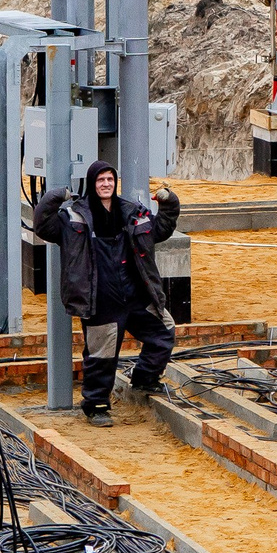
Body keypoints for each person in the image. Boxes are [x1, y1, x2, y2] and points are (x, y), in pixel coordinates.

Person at [31, 161, 179, 427]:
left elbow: (161, 230)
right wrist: (56, 196)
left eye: (110, 179)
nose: (106, 184)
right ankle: (96, 406)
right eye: (100, 180)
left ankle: (145, 379)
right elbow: (43, 226)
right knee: (101, 356)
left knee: (164, 332)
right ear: (92, 183)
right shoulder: (74, 217)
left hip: (137, 296)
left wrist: (170, 204)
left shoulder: (132, 212)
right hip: (100, 300)